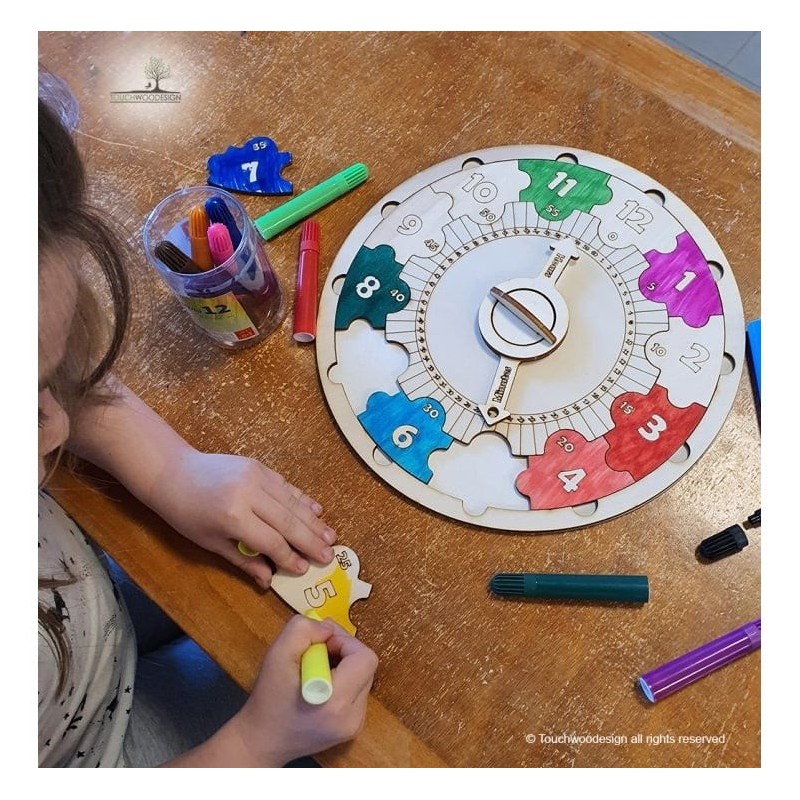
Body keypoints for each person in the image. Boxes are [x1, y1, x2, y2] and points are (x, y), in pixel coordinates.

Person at [38, 86, 378, 767]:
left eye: (44, 383)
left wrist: (167, 467)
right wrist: (255, 747)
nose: (54, 427)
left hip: (87, 629)